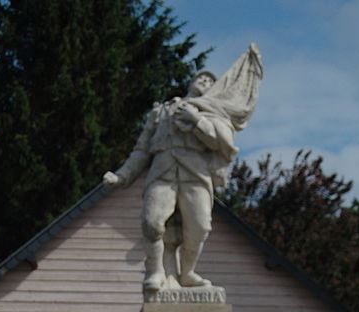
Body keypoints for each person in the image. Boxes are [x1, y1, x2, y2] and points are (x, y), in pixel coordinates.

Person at [104, 44, 263, 291]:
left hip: (195, 175)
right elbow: (142, 150)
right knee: (152, 222)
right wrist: (122, 176)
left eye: (211, 81)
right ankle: (156, 272)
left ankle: (187, 272)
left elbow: (224, 144)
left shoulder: (212, 113)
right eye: (202, 77)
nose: (205, 81)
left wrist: (197, 121)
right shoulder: (162, 111)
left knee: (200, 228)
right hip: (162, 173)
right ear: (192, 81)